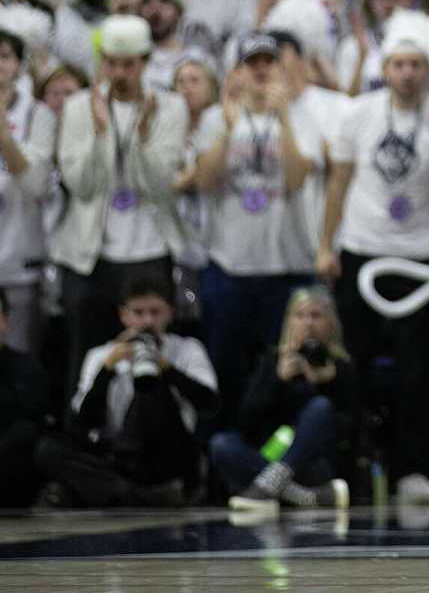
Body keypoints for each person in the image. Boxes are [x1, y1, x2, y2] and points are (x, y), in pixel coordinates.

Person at [316, 20, 429, 505]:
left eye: (416, 66)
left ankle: (417, 470)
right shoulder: (358, 115)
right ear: (384, 69)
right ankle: (356, 466)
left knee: (420, 371)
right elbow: (338, 183)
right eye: (398, 65)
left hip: (421, 260)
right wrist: (326, 245)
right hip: (362, 250)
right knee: (355, 366)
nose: (407, 74)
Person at [192, 33, 323, 424]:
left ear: (283, 68)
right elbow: (205, 180)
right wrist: (228, 129)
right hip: (228, 263)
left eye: (270, 62)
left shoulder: (301, 116)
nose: (262, 70)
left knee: (279, 368)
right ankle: (221, 457)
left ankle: (273, 456)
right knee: (225, 367)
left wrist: (283, 119)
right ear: (238, 72)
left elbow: (298, 178)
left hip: (283, 264)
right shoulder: (217, 119)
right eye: (253, 63)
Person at [51, 15, 187, 391]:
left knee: (149, 358)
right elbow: (80, 185)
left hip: (149, 251)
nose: (119, 72)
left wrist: (143, 137)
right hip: (89, 255)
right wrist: (98, 133)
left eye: (128, 64)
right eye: (111, 63)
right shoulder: (79, 107)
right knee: (86, 358)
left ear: (144, 62)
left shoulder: (171, 107)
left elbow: (160, 186)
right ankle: (81, 441)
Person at [35, 278, 218, 507]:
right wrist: (107, 371)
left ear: (170, 313)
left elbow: (209, 404)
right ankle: (137, 494)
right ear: (124, 315)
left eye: (155, 312)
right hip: (114, 453)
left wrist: (166, 369)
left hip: (168, 450)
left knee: (150, 389)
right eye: (139, 313)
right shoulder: (101, 355)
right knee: (49, 449)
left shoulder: (188, 348)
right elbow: (80, 422)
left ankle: (101, 491)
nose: (147, 320)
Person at [210, 287, 353, 514]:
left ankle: (270, 488)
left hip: (314, 462)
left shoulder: (340, 366)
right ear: (289, 321)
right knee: (221, 444)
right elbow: (246, 422)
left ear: (331, 323)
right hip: (268, 455)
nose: (308, 324)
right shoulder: (272, 361)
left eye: (315, 316)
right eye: (300, 315)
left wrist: (325, 382)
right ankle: (306, 497)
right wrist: (277, 381)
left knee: (320, 407)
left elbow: (349, 427)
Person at [0, 18, 57, 356]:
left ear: (19, 65)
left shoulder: (39, 115)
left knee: (19, 361)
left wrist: (5, 139)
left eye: (5, 56)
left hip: (20, 261)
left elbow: (37, 184)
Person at [0, 290, 47, 507]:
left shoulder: (27, 366)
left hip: (10, 466)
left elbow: (29, 418)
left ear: (6, 321)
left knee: (25, 434)